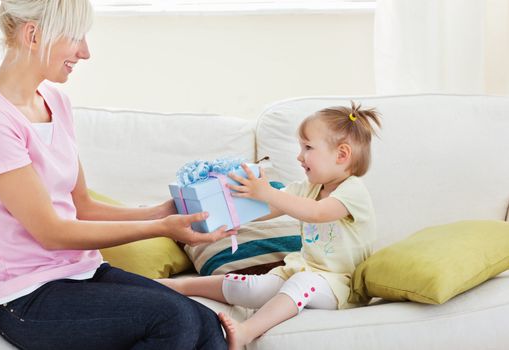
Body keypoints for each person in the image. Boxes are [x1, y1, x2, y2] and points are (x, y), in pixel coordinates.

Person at [0, 1, 234, 349]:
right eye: (75, 37)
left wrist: (161, 212)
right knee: (173, 319)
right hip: (25, 296)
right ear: (33, 34)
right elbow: (51, 232)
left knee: (206, 324)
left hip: (83, 272)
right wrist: (160, 229)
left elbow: (82, 206)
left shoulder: (56, 101)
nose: (85, 52)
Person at [159, 102, 382, 350]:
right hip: (301, 269)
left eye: (307, 147)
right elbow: (268, 208)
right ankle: (180, 286)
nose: (299, 156)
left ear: (341, 155)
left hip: (341, 284)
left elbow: (317, 213)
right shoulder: (308, 188)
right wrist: (228, 214)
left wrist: (267, 193)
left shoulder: (353, 192)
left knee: (303, 284)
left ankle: (246, 332)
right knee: (255, 288)